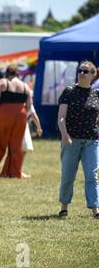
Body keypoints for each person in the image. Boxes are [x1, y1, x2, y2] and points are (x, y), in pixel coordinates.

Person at [57, 61, 99, 219]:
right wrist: (64, 134)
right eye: (80, 70)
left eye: (86, 71)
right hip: (71, 140)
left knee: (91, 175)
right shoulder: (69, 91)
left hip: (92, 141)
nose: (82, 73)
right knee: (68, 175)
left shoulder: (96, 93)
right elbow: (61, 117)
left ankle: (95, 209)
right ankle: (64, 207)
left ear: (93, 75)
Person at [0, 66, 32, 178]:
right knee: (16, 144)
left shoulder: (3, 82)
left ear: (6, 74)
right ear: (18, 74)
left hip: (5, 113)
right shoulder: (25, 86)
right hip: (21, 114)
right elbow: (29, 106)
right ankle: (12, 172)